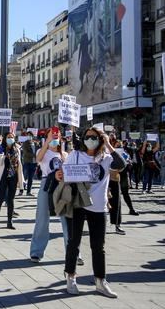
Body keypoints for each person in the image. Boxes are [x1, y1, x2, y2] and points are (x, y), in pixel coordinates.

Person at [57, 127, 125, 298]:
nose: (90, 140)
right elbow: (64, 173)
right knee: (74, 241)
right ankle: (71, 276)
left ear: (100, 139)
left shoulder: (106, 158)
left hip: (99, 206)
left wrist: (109, 143)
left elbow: (121, 165)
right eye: (87, 137)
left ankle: (100, 281)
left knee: (98, 246)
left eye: (94, 137)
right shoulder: (76, 155)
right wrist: (59, 175)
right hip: (79, 204)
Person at [29, 128, 72, 263]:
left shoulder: (65, 154)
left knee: (67, 220)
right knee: (42, 218)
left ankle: (73, 252)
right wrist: (47, 142)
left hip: (63, 186)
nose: (55, 135)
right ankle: (36, 252)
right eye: (52, 133)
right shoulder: (43, 152)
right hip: (47, 185)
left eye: (57, 134)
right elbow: (38, 159)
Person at [0, 132, 23, 229]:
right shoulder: (0, 148)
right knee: (0, 199)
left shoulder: (17, 149)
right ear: (5, 139)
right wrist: (3, 154)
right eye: (8, 137)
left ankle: (9, 222)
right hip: (3, 176)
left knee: (11, 199)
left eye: (12, 137)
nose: (10, 139)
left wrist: (21, 179)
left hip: (13, 176)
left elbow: (19, 164)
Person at [108, 136, 127, 235]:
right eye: (116, 145)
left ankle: (117, 224)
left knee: (116, 202)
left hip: (114, 180)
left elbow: (122, 165)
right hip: (103, 181)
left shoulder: (117, 154)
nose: (118, 146)